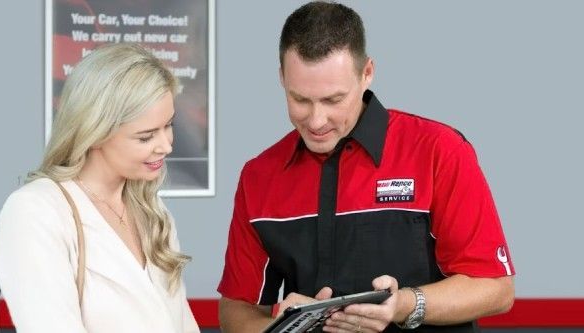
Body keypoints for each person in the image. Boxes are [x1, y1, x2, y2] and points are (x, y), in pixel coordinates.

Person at [217, 2, 515, 332]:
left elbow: (495, 289)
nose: (316, 120)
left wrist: (404, 304)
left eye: (333, 100)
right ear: (281, 79)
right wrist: (279, 325)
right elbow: (235, 311)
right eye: (299, 99)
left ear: (367, 73)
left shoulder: (439, 151)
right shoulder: (258, 177)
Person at [0, 43, 200, 333]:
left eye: (169, 125)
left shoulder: (154, 213)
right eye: (145, 137)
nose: (166, 146)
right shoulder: (36, 211)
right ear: (96, 131)